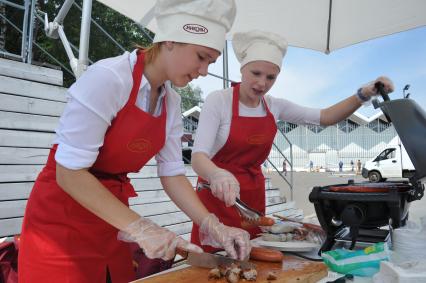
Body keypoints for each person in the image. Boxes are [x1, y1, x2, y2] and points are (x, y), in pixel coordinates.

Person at [18, 1, 251, 282]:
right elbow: (69, 173)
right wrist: (141, 228)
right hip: (60, 221)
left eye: (210, 63)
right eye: (201, 57)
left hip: (111, 220)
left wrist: (213, 225)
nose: (203, 71)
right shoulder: (108, 79)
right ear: (170, 41)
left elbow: (173, 174)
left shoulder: (172, 103)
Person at [189, 30, 395, 250]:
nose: (261, 83)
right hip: (216, 196)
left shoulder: (274, 105)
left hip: (251, 195)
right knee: (213, 261)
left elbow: (325, 117)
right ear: (242, 69)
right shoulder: (218, 101)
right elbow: (198, 157)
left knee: (251, 257)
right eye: (255, 73)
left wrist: (363, 94)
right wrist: (216, 173)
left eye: (270, 77)